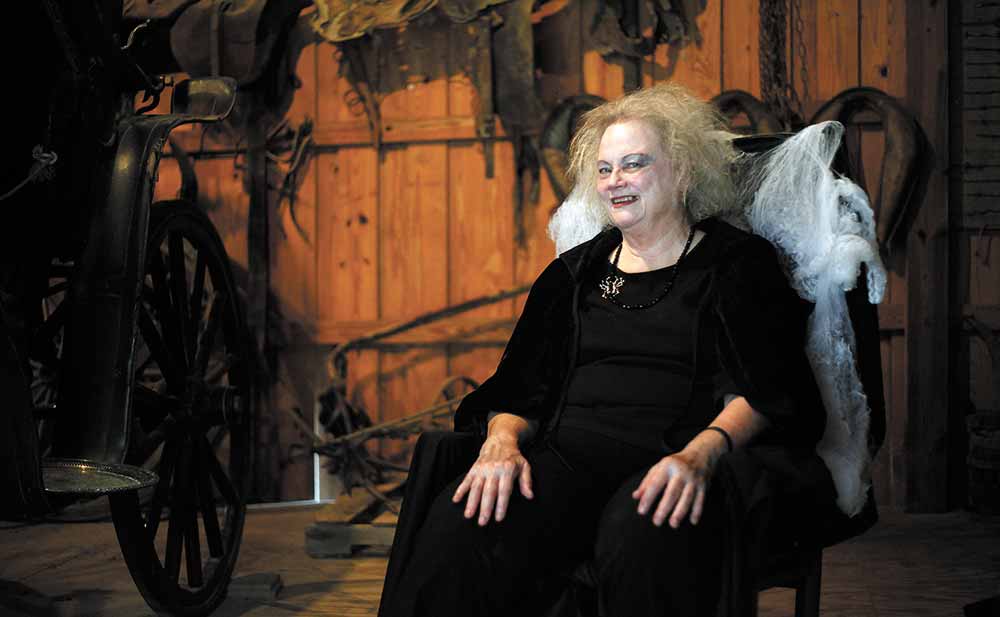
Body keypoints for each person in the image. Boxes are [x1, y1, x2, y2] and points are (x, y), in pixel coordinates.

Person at [377, 83, 838, 617]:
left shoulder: (735, 266)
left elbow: (767, 390)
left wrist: (699, 454)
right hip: (566, 459)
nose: (615, 181)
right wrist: (500, 443)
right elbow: (520, 387)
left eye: (634, 164)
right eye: (604, 169)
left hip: (670, 457)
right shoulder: (572, 275)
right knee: (472, 520)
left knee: (642, 527)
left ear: (682, 172)